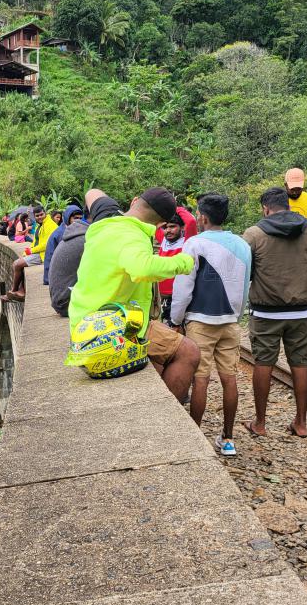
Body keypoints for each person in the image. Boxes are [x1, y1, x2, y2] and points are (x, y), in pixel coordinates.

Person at [69, 188, 200, 403]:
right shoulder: (133, 236)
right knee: (189, 352)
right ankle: (166, 419)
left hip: (82, 325)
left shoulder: (104, 227)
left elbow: (92, 192)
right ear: (159, 225)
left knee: (158, 353)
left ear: (134, 201)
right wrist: (184, 261)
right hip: (104, 332)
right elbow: (141, 268)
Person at [242, 187, 307, 438]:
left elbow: (245, 273)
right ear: (289, 206)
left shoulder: (254, 234)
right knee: (300, 365)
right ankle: (301, 424)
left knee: (263, 363)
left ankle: (260, 423)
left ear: (265, 208)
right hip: (303, 313)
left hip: (266, 312)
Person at [169, 193, 251, 457]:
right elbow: (246, 284)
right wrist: (236, 316)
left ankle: (196, 435)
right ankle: (228, 439)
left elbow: (183, 286)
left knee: (201, 380)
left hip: (200, 321)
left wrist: (176, 319)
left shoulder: (194, 244)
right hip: (230, 322)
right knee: (230, 379)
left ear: (202, 217)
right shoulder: (243, 245)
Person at [2, 205, 56, 303]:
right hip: (39, 252)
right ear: (34, 217)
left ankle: (13, 291)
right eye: (37, 216)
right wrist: (28, 250)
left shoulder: (50, 225)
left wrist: (31, 251)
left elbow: (47, 244)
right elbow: (36, 241)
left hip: (44, 255)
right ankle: (21, 290)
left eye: (41, 215)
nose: (40, 217)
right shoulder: (40, 225)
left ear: (45, 213)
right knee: (20, 262)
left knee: (17, 264)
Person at [156, 214, 186, 323]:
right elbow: (155, 223)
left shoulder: (187, 242)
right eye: (165, 227)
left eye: (172, 226)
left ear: (182, 227)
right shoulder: (163, 240)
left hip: (177, 295)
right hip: (161, 295)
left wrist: (173, 208)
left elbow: (191, 221)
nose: (168, 230)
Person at [42, 205, 82, 286]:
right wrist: (48, 279)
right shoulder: (60, 234)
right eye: (75, 218)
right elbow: (49, 257)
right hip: (60, 275)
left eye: (80, 218)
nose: (78, 221)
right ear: (68, 218)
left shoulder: (74, 229)